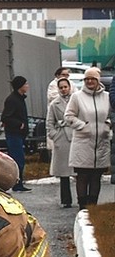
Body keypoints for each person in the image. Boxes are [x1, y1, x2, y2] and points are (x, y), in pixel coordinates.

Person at [65, 67, 112, 208]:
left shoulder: (107, 96)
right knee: (83, 176)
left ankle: (93, 207)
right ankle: (82, 207)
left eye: (93, 79)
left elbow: (110, 115)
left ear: (98, 80)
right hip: (83, 143)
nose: (90, 81)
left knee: (96, 177)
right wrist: (83, 126)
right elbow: (68, 116)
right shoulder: (77, 97)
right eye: (87, 79)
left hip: (101, 144)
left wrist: (107, 125)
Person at [46, 76, 74, 207]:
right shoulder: (54, 104)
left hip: (76, 136)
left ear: (69, 87)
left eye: (65, 87)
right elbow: (49, 122)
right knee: (64, 173)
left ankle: (83, 198)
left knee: (80, 171)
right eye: (61, 87)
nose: (63, 89)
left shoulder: (76, 100)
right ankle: (66, 200)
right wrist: (54, 135)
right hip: (62, 138)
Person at [1, 75, 31, 192]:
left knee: (20, 159)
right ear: (20, 86)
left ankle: (19, 182)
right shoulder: (12, 100)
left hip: (20, 134)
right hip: (14, 134)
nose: (27, 86)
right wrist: (19, 124)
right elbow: (6, 117)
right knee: (17, 159)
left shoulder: (20, 98)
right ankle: (16, 184)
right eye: (25, 84)